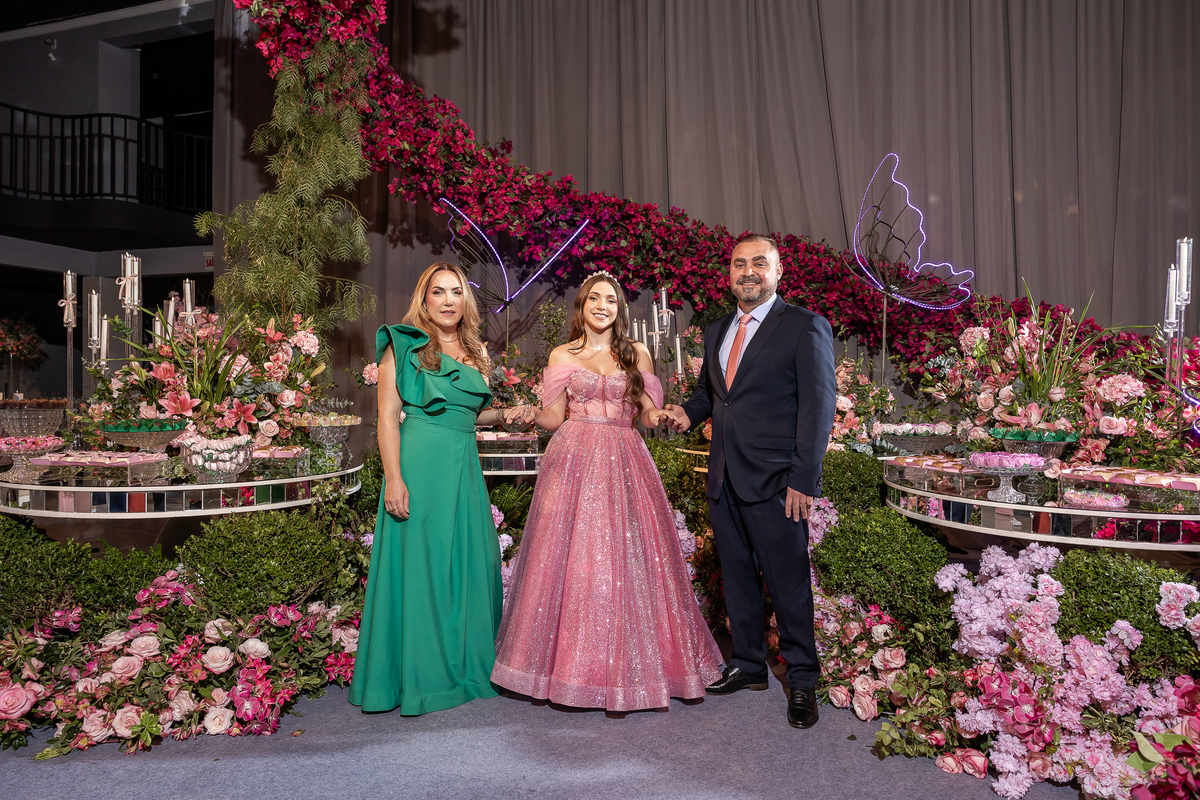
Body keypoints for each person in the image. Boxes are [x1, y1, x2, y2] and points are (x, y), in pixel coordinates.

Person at [492, 272, 723, 712]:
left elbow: (648, 413)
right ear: (581, 306)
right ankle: (565, 671)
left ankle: (630, 671)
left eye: (611, 300)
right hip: (572, 458)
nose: (602, 306)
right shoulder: (563, 354)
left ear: (620, 309)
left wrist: (663, 416)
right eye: (594, 298)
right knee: (568, 558)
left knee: (624, 557)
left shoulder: (636, 353)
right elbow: (553, 418)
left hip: (623, 457)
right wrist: (527, 413)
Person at [662, 234, 836, 729]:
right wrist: (687, 413)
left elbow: (819, 406)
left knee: (788, 585)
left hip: (778, 481)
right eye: (740, 264)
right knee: (737, 576)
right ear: (730, 274)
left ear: (778, 272)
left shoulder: (804, 326)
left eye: (760, 263)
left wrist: (804, 478)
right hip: (724, 475)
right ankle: (749, 664)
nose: (748, 272)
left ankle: (802, 678)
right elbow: (711, 394)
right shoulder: (717, 329)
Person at [349, 262, 508, 715]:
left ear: (465, 300)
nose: (447, 300)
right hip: (419, 465)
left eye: (455, 291)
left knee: (469, 564)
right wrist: (394, 479)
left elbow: (466, 412)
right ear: (424, 299)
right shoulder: (404, 345)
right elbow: (386, 419)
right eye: (438, 291)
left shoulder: (476, 351)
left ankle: (463, 668)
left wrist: (505, 414)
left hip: (463, 467)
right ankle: (422, 679)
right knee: (423, 568)